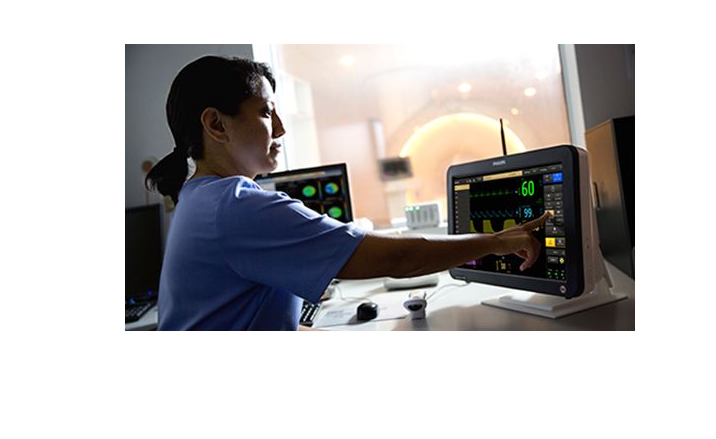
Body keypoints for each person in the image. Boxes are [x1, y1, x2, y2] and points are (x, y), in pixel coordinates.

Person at [145, 55, 550, 331]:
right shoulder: (236, 206)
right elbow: (398, 258)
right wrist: (498, 241)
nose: (281, 128)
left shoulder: (198, 199)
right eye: (267, 112)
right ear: (216, 125)